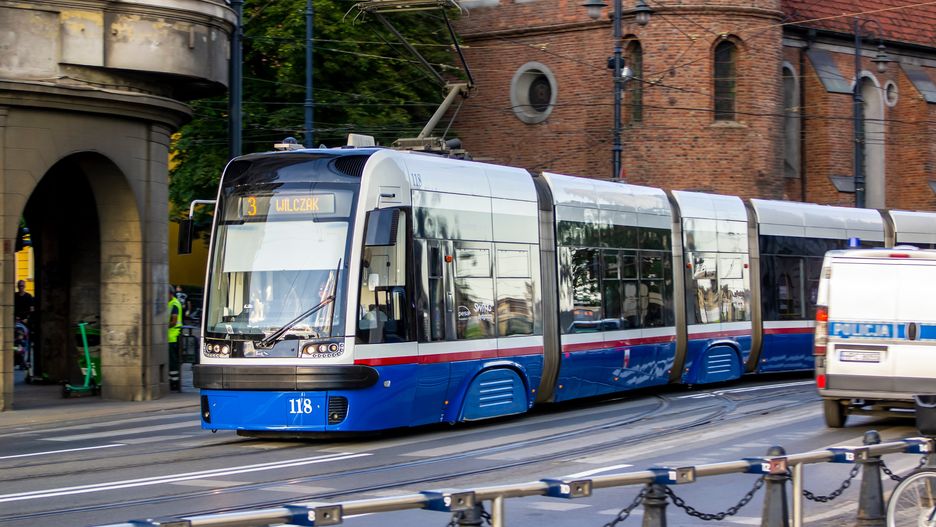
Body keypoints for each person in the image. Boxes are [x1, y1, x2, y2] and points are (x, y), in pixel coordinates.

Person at [167, 285, 184, 391]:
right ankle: (172, 381)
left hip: (173, 337)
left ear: (170, 294)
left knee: (173, 362)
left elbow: (174, 321)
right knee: (170, 361)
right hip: (169, 337)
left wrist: (162, 325)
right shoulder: (169, 303)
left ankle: (174, 383)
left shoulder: (174, 304)